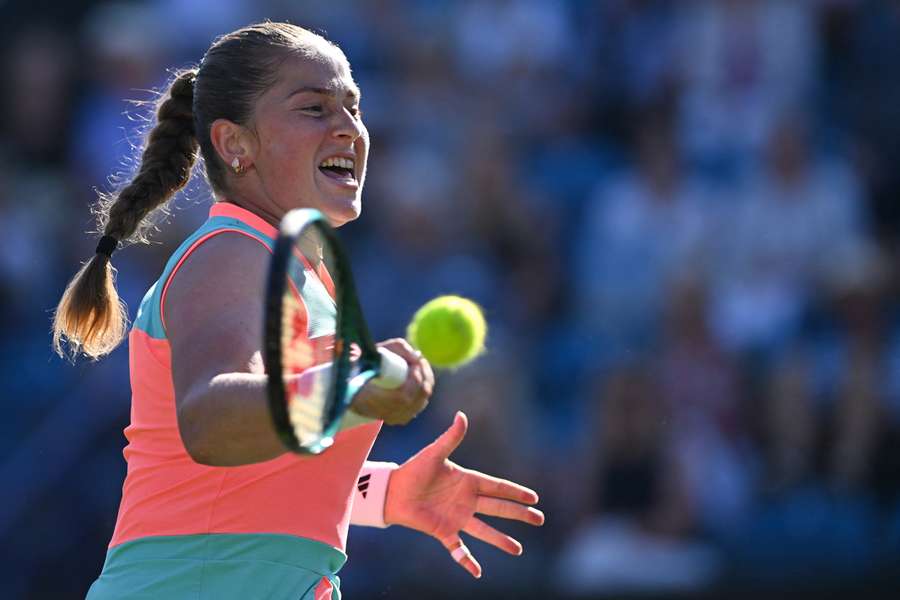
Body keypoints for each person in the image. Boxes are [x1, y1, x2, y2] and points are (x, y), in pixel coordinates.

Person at [52, 22, 544, 599]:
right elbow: (211, 419)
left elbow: (241, 479)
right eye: (314, 108)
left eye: (353, 107)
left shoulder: (295, 269)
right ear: (236, 145)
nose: (349, 128)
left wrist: (381, 493)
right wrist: (350, 386)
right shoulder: (234, 251)